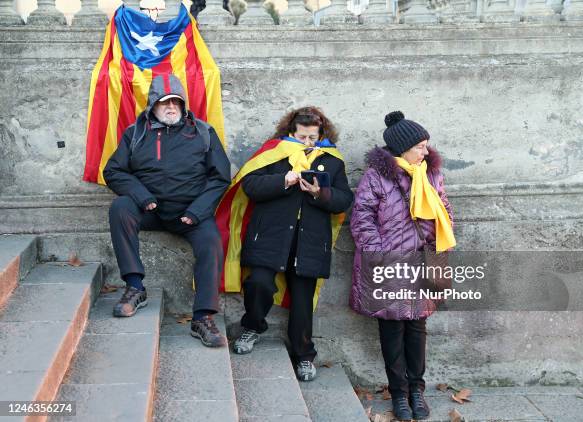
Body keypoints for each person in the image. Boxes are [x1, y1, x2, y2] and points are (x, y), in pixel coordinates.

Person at [103, 74, 231, 348]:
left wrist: (197, 211)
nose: (171, 107)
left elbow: (220, 176)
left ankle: (203, 317)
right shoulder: (136, 133)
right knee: (120, 208)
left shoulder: (203, 132)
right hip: (149, 208)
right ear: (153, 106)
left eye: (176, 102)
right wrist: (140, 195)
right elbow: (113, 170)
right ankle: (135, 286)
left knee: (211, 241)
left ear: (184, 105)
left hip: (190, 213)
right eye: (164, 103)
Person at [228, 106, 353, 381]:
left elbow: (344, 200)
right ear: (290, 133)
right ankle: (252, 326)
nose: (307, 143)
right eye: (302, 137)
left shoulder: (332, 161)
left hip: (309, 241)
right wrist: (283, 180)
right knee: (258, 283)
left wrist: (321, 193)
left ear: (322, 135)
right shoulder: (273, 153)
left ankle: (304, 355)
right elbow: (250, 185)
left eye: (313, 138)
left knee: (302, 301)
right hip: (271, 235)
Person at [350, 111, 455, 420]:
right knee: (392, 328)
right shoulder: (377, 176)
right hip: (387, 263)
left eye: (426, 145)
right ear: (403, 148)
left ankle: (417, 391)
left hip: (422, 261)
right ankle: (398, 394)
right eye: (421, 146)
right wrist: (379, 254)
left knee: (417, 327)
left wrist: (436, 247)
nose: (426, 151)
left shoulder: (431, 174)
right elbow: (362, 219)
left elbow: (443, 211)